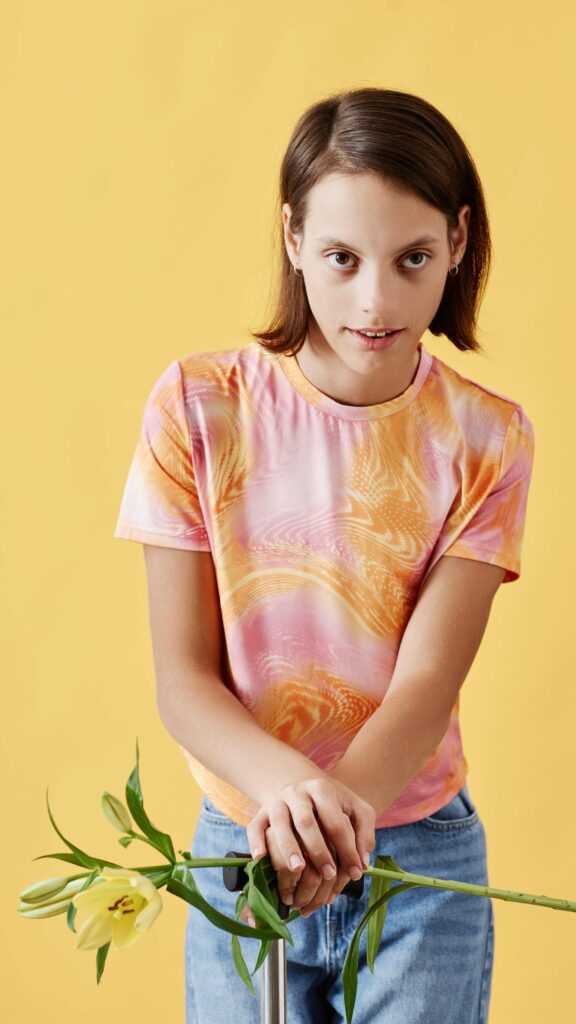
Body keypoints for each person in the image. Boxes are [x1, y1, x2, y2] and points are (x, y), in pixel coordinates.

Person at [113, 87, 535, 1024]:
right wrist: (290, 794)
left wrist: (340, 812)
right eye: (341, 258)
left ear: (459, 243)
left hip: (419, 861)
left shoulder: (487, 439)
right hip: (241, 845)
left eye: (412, 258)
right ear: (294, 238)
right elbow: (183, 678)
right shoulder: (197, 407)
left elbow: (428, 680)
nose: (377, 300)